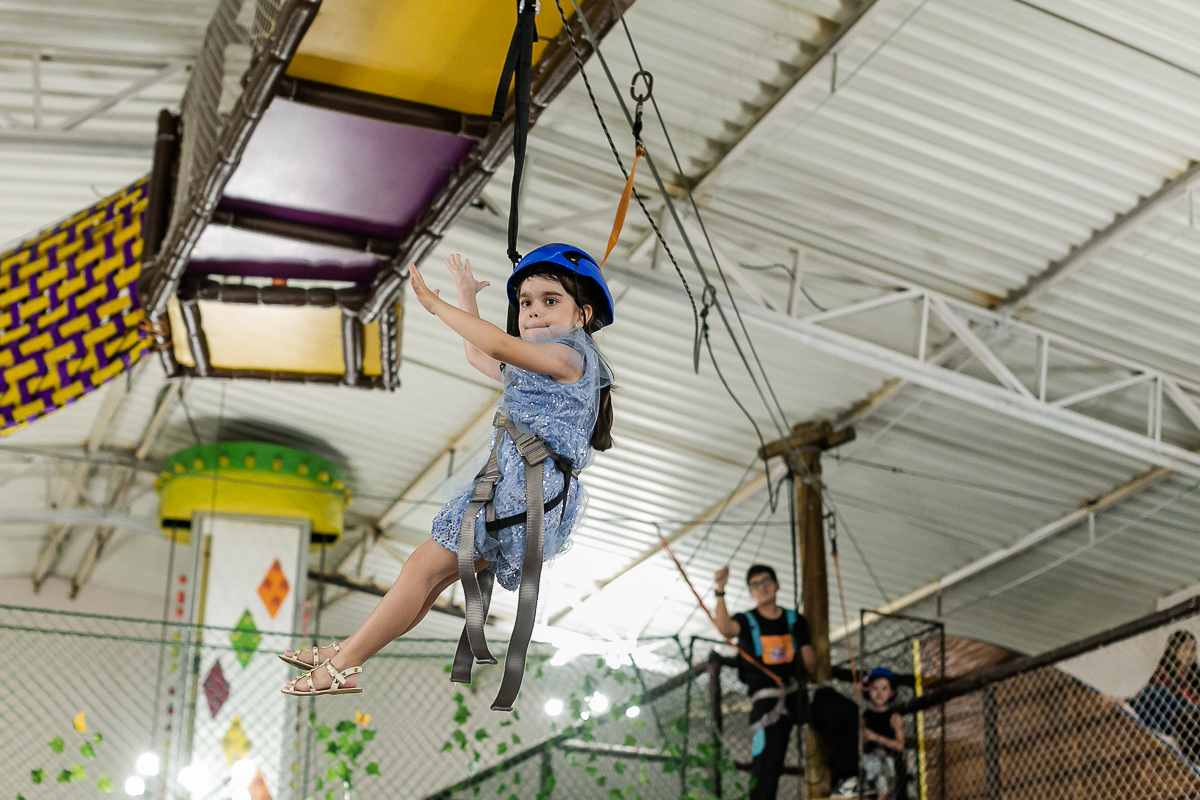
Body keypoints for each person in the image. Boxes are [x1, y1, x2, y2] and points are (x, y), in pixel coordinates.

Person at [279, 245, 614, 699]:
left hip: (522, 490)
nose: (533, 312)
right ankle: (350, 655)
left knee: (421, 567)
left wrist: (438, 306)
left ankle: (345, 663)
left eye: (549, 300)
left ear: (582, 315)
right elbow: (480, 355)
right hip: (521, 489)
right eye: (525, 303)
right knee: (431, 577)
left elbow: (495, 343)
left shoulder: (570, 358)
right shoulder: (542, 364)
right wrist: (466, 294)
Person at [714, 564, 816, 800]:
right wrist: (720, 590)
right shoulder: (747, 621)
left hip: (798, 694)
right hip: (768, 702)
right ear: (751, 592)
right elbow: (726, 629)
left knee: (837, 712)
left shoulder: (794, 620)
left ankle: (846, 779)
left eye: (767, 581)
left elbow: (810, 663)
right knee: (768, 762)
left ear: (777, 585)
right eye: (755, 584)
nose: (762, 587)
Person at [1131, 630, 1200, 748]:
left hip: (1194, 720)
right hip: (1174, 720)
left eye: (1193, 649)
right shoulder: (1162, 674)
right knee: (1152, 693)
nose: (1190, 653)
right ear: (1174, 650)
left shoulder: (1196, 675)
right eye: (1185, 649)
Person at [860, 667, 905, 800]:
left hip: (884, 762)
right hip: (867, 762)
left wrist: (876, 738)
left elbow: (900, 745)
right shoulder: (865, 716)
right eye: (875, 689)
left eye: (884, 689)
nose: (879, 693)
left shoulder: (894, 717)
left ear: (891, 693)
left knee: (882, 789)